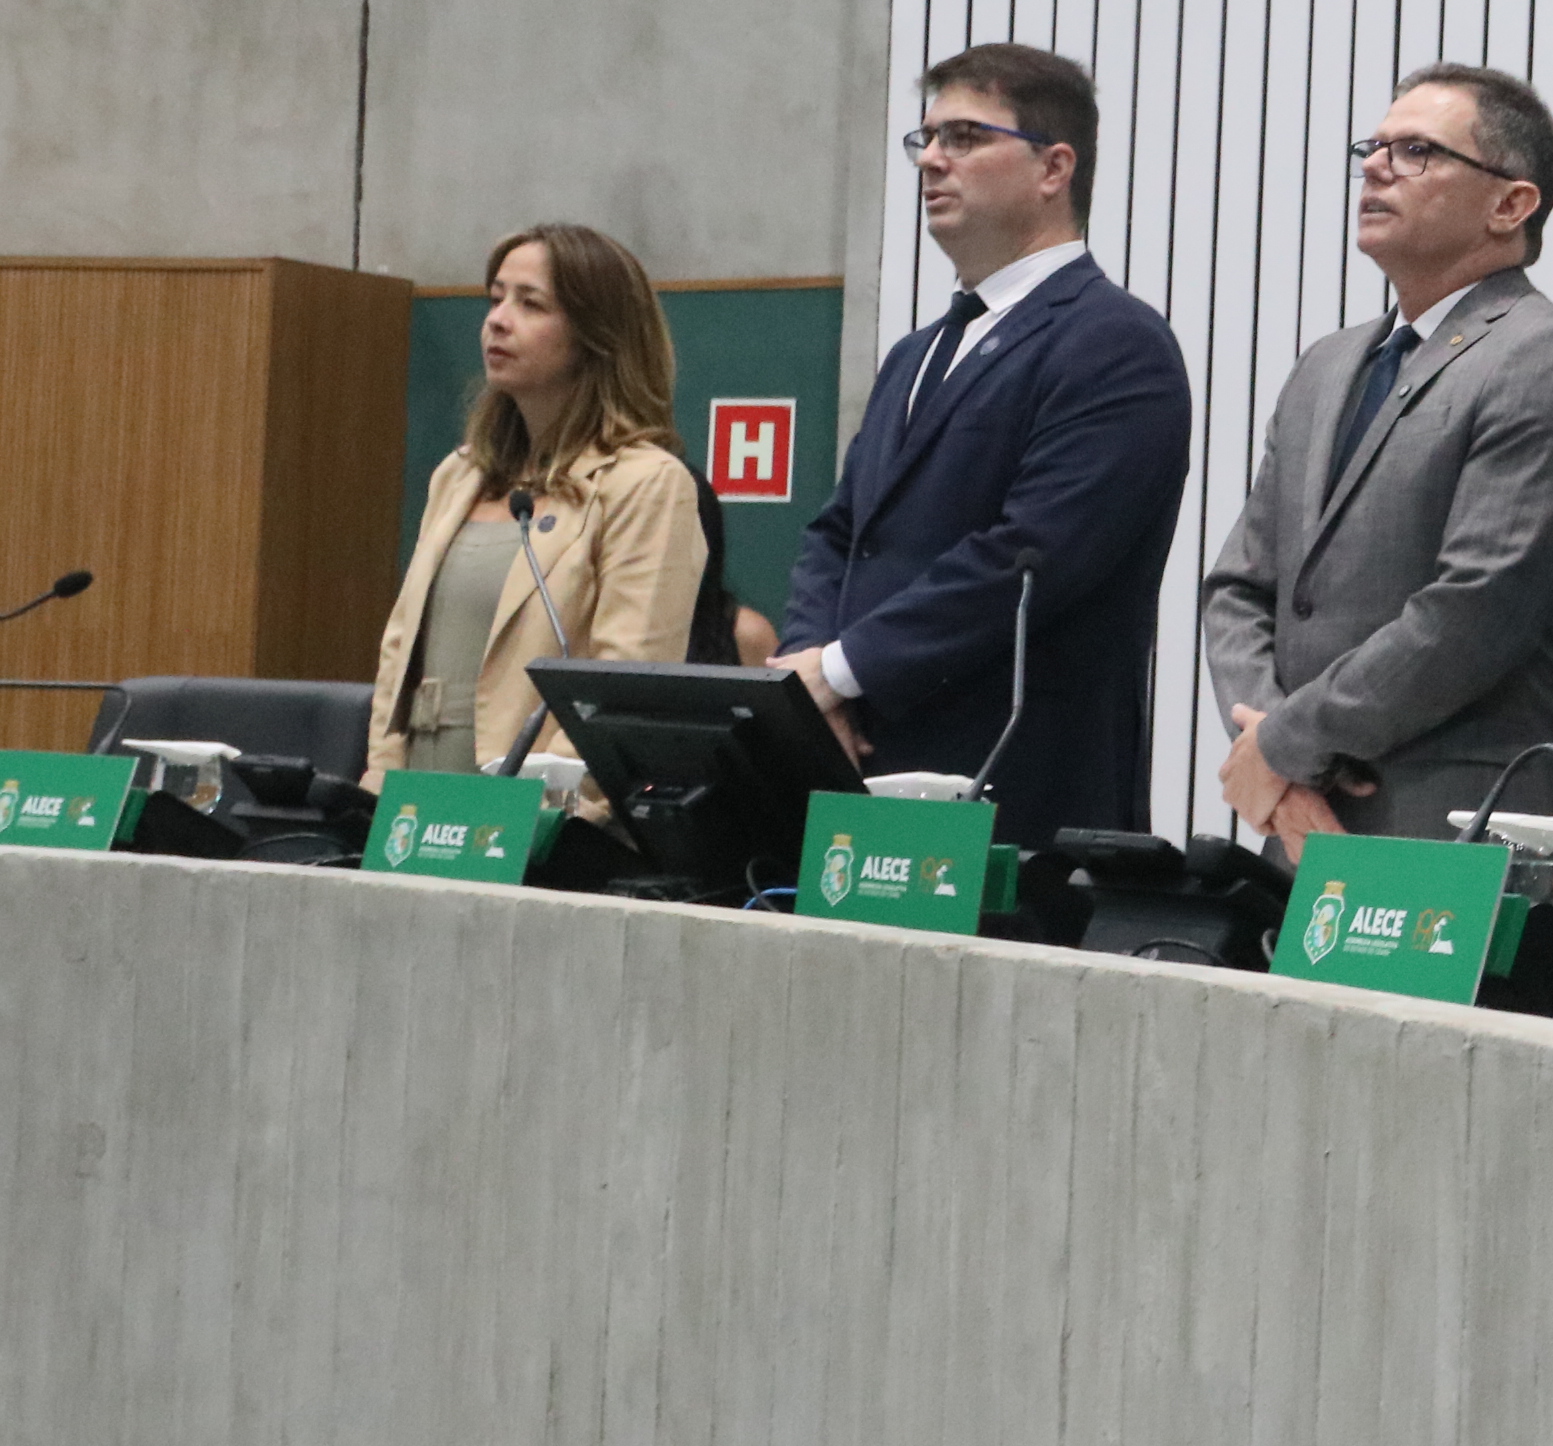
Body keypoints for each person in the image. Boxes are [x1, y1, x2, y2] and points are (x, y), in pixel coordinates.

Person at [778, 44, 1192, 850]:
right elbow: (839, 534)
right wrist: (809, 683)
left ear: (1053, 167)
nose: (932, 159)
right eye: (926, 138)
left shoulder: (1114, 342)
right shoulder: (916, 353)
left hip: (1013, 791)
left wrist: (836, 674)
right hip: (864, 765)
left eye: (965, 137)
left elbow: (1034, 554)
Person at [1201, 64, 1553, 847]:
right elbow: (1239, 587)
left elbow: (1476, 608)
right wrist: (1269, 752)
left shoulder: (1552, 358)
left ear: (1511, 204)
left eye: (1418, 152)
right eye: (1376, 145)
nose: (1374, 165)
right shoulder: (1328, 364)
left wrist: (1287, 744)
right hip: (1300, 822)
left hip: (1460, 826)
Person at [367, 224, 708, 788]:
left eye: (530, 304)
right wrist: (379, 787)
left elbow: (619, 687)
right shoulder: (459, 475)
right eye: (496, 298)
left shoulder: (645, 484)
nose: (497, 319)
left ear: (597, 335)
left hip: (534, 817)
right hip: (413, 803)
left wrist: (544, 808)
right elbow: (399, 653)